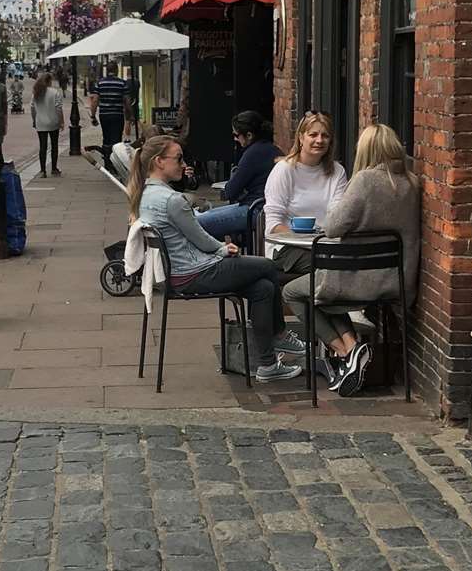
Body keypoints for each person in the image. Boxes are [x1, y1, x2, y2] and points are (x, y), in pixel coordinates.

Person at [128, 135, 303, 382]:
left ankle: (268, 364)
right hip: (194, 274)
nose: (182, 163)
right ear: (159, 162)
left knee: (262, 288)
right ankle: (280, 335)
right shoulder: (172, 200)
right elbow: (200, 237)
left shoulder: (144, 194)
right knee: (268, 266)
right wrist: (224, 249)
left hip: (178, 274)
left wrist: (220, 250)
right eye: (178, 158)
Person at [283, 124, 421, 397]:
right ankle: (352, 352)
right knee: (320, 290)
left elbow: (333, 227)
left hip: (357, 279)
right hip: (397, 279)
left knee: (294, 292)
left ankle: (347, 352)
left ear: (367, 150)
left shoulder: (366, 180)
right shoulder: (412, 182)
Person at [263, 111, 348, 280]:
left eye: (325, 135)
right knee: (331, 267)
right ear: (301, 138)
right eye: (313, 134)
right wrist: (308, 243)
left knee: (351, 263)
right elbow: (272, 224)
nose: (319, 140)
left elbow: (337, 216)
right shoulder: (284, 170)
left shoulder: (338, 172)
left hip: (326, 247)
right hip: (286, 248)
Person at [197, 111, 281, 241]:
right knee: (207, 214)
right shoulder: (273, 149)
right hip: (263, 208)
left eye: (236, 135)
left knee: (198, 223)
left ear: (249, 135)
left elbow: (230, 192)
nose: (235, 139)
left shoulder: (252, 154)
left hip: (255, 210)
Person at [89, 62, 131, 152]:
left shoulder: (100, 83)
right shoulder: (122, 83)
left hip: (104, 115)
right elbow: (127, 101)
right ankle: (115, 160)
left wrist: (93, 116)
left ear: (107, 70)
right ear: (117, 70)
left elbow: (95, 100)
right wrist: (130, 115)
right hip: (117, 115)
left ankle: (107, 159)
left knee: (106, 137)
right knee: (116, 139)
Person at [31, 69, 64, 178]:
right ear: (50, 81)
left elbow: (32, 108)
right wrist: (61, 121)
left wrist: (34, 119)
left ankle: (43, 170)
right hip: (53, 122)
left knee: (43, 146)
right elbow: (58, 108)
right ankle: (54, 168)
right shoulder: (55, 92)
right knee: (54, 146)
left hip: (40, 122)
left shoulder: (36, 92)